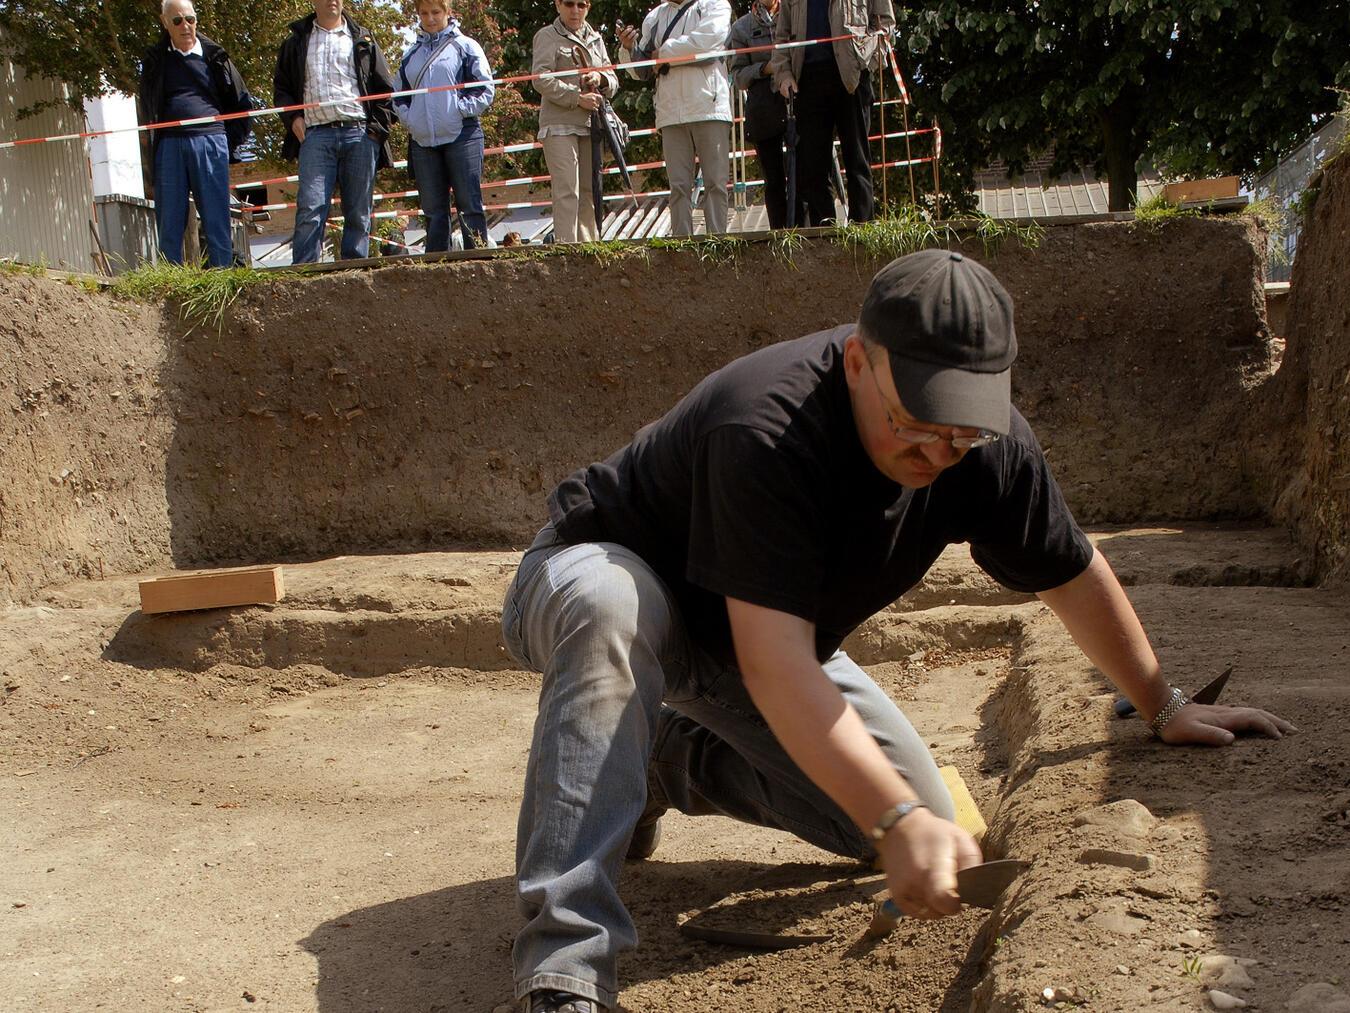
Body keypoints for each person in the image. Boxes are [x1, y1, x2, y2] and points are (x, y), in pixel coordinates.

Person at [501, 249, 1296, 1013]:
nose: (939, 449)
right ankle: (565, 965)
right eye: (915, 420)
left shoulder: (985, 448)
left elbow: (1070, 572)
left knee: (898, 819)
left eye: (962, 429)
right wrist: (897, 817)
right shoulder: (766, 426)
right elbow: (776, 667)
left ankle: (655, 761)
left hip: (755, 644)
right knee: (613, 607)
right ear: (858, 362)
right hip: (601, 580)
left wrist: (1163, 704)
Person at [274, 0, 396, 263]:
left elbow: (386, 90)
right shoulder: (295, 41)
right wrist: (293, 118)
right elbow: (281, 88)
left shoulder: (364, 39)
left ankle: (355, 271)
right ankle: (304, 273)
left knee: (359, 212)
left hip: (360, 134)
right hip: (315, 135)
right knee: (310, 207)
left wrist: (375, 133)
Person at [138, 0, 254, 268]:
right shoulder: (155, 61)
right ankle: (170, 277)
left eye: (190, 19)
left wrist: (226, 142)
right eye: (177, 20)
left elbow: (242, 103)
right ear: (165, 23)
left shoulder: (217, 57)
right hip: (169, 144)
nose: (185, 26)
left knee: (216, 216)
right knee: (169, 219)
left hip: (211, 141)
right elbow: (147, 104)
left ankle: (223, 272)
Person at [770, 0, 893, 225]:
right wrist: (784, 75)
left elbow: (885, 25)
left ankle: (862, 229)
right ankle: (823, 233)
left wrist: (868, 59)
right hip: (807, 81)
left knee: (857, 159)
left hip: (853, 77)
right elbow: (781, 38)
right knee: (813, 166)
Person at [618, 0, 733, 236]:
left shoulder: (716, 4)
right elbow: (641, 69)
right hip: (670, 112)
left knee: (716, 182)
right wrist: (628, 49)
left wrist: (664, 53)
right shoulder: (654, 17)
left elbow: (708, 41)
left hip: (709, 107)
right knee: (678, 187)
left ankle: (718, 243)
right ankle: (681, 246)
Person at [394, 0, 495, 252]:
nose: (430, 18)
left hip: (463, 135)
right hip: (423, 142)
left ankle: (479, 259)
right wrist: (411, 120)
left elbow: (485, 88)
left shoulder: (466, 46)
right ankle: (436, 264)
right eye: (424, 13)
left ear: (448, 12)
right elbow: (398, 96)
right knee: (433, 211)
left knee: (469, 205)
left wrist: (459, 111)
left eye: (436, 12)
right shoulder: (409, 55)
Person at [532, 0, 620, 244]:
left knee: (589, 190)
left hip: (591, 125)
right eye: (569, 4)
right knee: (567, 190)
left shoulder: (596, 38)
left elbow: (613, 79)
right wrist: (576, 98)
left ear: (588, 7)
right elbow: (540, 79)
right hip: (558, 125)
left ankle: (589, 249)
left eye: (581, 5)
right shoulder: (546, 36)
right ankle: (567, 250)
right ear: (558, 5)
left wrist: (600, 78)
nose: (575, 10)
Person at [727, 0, 794, 229]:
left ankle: (806, 232)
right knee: (773, 181)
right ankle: (779, 236)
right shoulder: (740, 28)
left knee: (804, 174)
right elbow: (738, 77)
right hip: (763, 109)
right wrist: (766, 68)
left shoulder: (796, 14)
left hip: (797, 101)